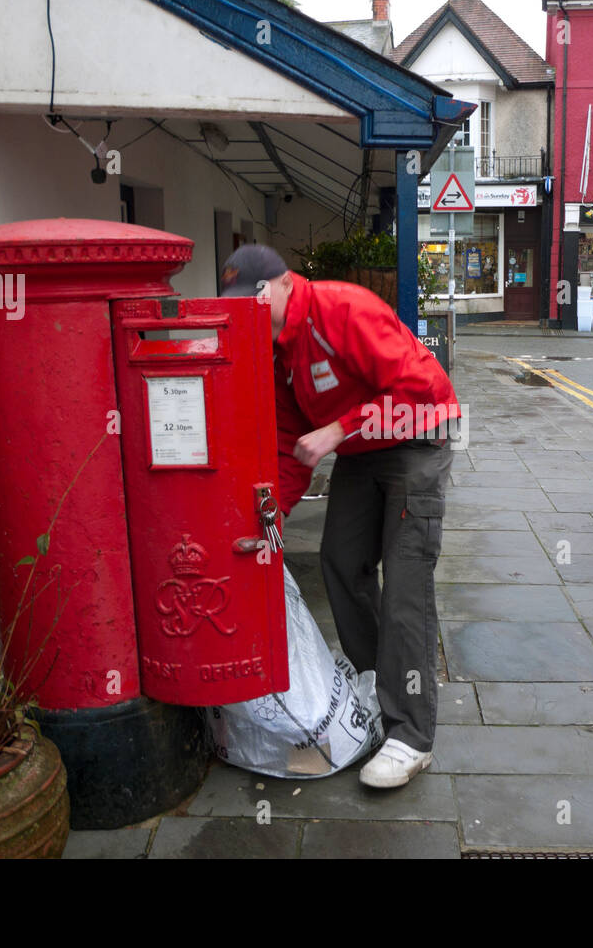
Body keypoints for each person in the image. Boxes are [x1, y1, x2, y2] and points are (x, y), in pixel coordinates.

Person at [220, 244, 460, 789]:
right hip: (362, 449)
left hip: (418, 436)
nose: (248, 305)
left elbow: (420, 389)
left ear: (284, 282)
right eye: (237, 299)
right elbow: (288, 446)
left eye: (256, 292)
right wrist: (273, 518)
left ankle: (411, 735)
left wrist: (337, 430)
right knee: (340, 561)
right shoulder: (277, 353)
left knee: (406, 585)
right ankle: (376, 680)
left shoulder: (343, 310)